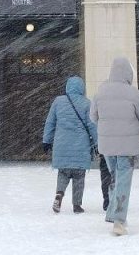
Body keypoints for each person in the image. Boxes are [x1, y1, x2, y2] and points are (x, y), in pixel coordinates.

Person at [89, 57, 139, 236]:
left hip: (107, 145)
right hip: (128, 146)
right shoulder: (135, 94)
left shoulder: (100, 93)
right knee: (123, 180)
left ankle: (112, 213)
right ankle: (119, 220)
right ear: (128, 73)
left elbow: (93, 117)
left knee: (115, 177)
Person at [42, 76, 98, 214]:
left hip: (62, 145)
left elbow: (50, 122)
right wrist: (98, 144)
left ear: (67, 87)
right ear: (82, 88)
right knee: (79, 177)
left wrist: (46, 141)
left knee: (63, 173)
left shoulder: (58, 102)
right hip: (81, 147)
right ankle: (77, 205)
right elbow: (92, 126)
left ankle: (59, 194)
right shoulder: (87, 103)